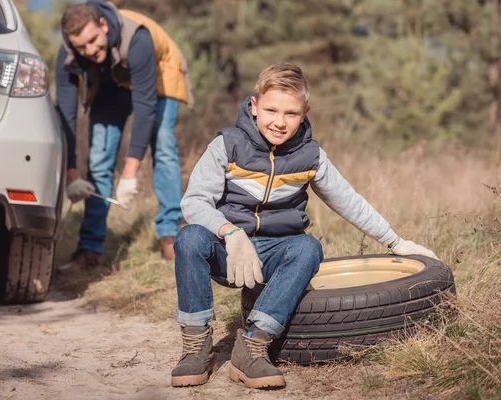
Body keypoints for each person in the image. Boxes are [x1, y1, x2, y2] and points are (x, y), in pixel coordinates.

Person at [170, 62, 439, 389]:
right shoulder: (226, 145)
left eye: (291, 114)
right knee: (189, 239)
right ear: (254, 106)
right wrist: (231, 233)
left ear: (305, 112)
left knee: (308, 247)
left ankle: (253, 346)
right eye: (271, 110)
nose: (279, 122)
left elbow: (348, 201)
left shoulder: (311, 156)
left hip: (273, 253)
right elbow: (194, 202)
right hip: (227, 249)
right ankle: (196, 346)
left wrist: (397, 243)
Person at [55, 0, 193, 268]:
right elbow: (67, 116)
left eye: (94, 40)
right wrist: (71, 173)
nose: (90, 50)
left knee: (162, 144)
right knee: (98, 159)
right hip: (109, 83)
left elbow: (145, 109)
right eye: (82, 46)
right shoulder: (69, 53)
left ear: (103, 25)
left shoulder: (137, 38)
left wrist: (129, 174)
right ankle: (90, 249)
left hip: (158, 74)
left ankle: (170, 234)